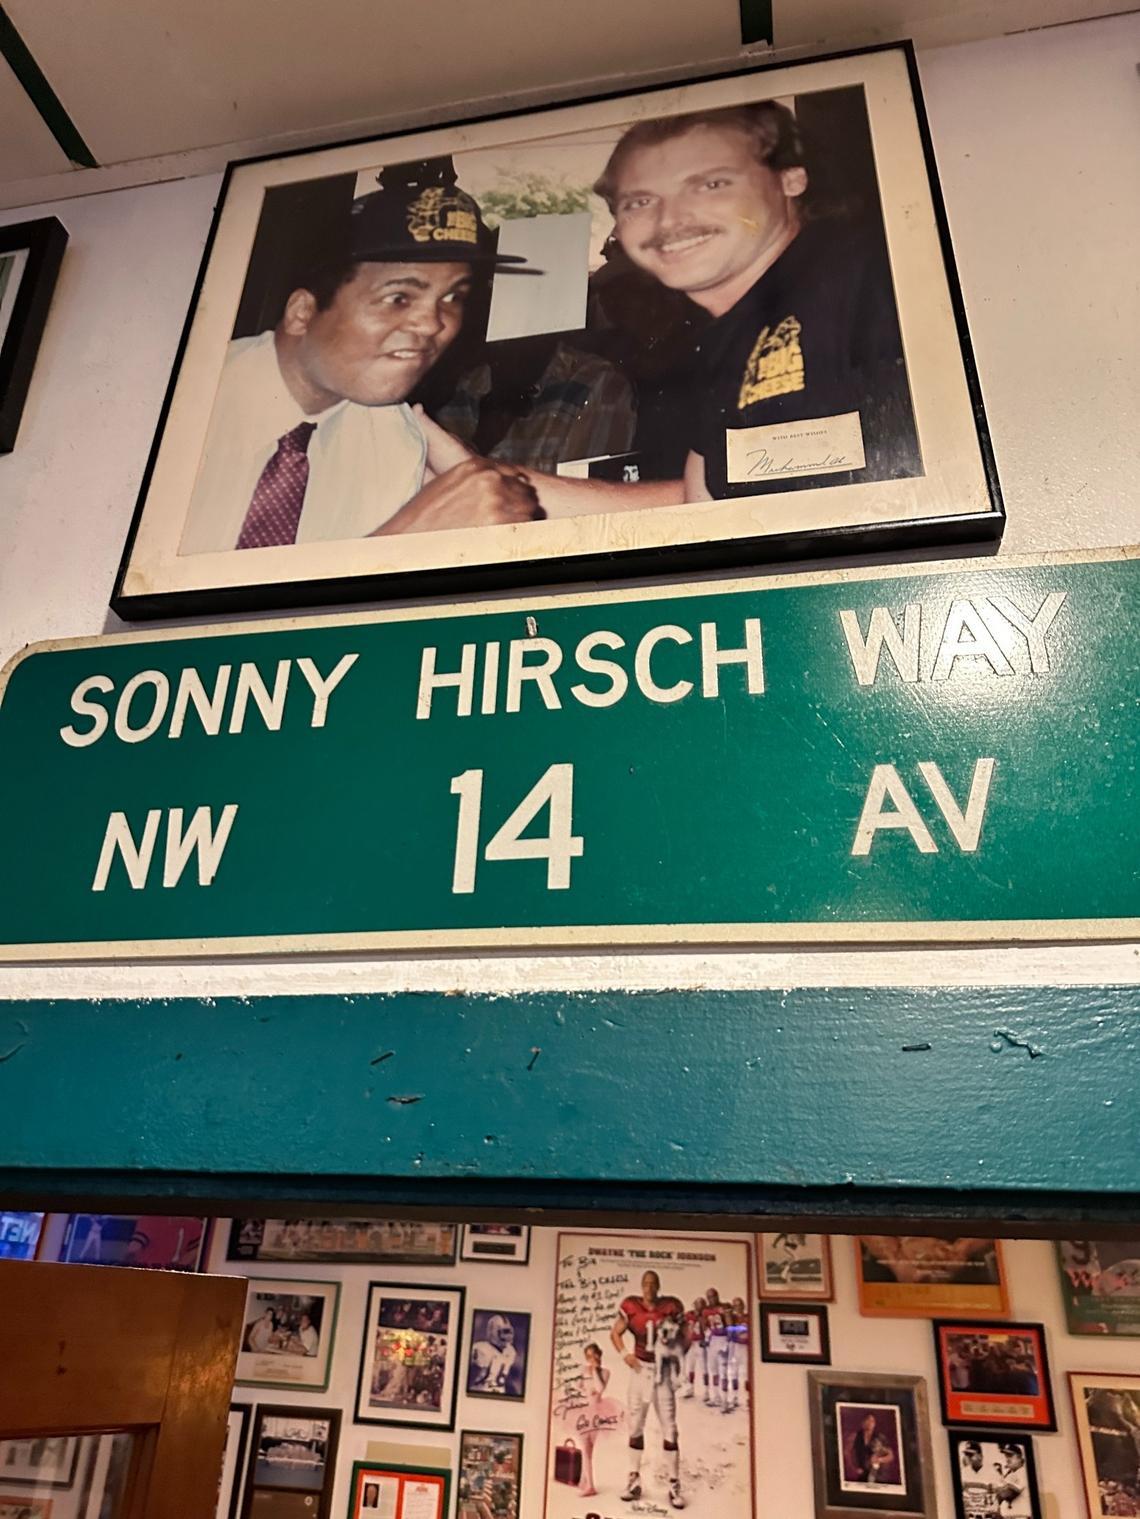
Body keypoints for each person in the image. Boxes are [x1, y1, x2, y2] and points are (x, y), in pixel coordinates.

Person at [419, 100, 918, 516]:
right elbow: (698, 503)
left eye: (710, 184)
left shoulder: (867, 280)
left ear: (791, 178)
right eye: (639, 201)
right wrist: (475, 476)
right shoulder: (733, 336)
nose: (670, 220)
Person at [181, 158, 541, 554]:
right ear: (302, 313)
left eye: (454, 297)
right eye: (398, 297)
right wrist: (405, 536)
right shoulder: (187, 406)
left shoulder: (393, 439)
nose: (433, 325)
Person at [611, 1269, 688, 1510]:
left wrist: (675, 1357)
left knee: (670, 1428)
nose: (649, 1287)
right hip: (640, 1371)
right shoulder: (631, 1306)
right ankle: (634, 1480)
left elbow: (686, 1334)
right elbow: (616, 1332)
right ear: (641, 1285)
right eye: (646, 1283)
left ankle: (674, 1484)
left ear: (658, 1286)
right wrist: (626, 1356)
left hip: (662, 1372)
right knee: (635, 1425)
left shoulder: (670, 1306)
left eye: (653, 1283)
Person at [577, 1342, 612, 1498]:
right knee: (585, 1448)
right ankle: (586, 1481)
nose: (591, 1359)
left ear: (599, 1355)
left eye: (593, 1355)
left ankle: (589, 1484)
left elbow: (599, 1389)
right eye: (588, 1356)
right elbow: (579, 1387)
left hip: (597, 1413)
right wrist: (585, 1388)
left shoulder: (605, 1372)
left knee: (589, 1449)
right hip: (584, 1411)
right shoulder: (584, 1370)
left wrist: (595, 1371)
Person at [468, 1312, 518, 1395]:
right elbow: (471, 1379)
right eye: (504, 1332)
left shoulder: (510, 1351)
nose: (508, 1336)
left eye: (508, 1332)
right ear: (493, 1332)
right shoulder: (482, 1349)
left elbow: (504, 1379)